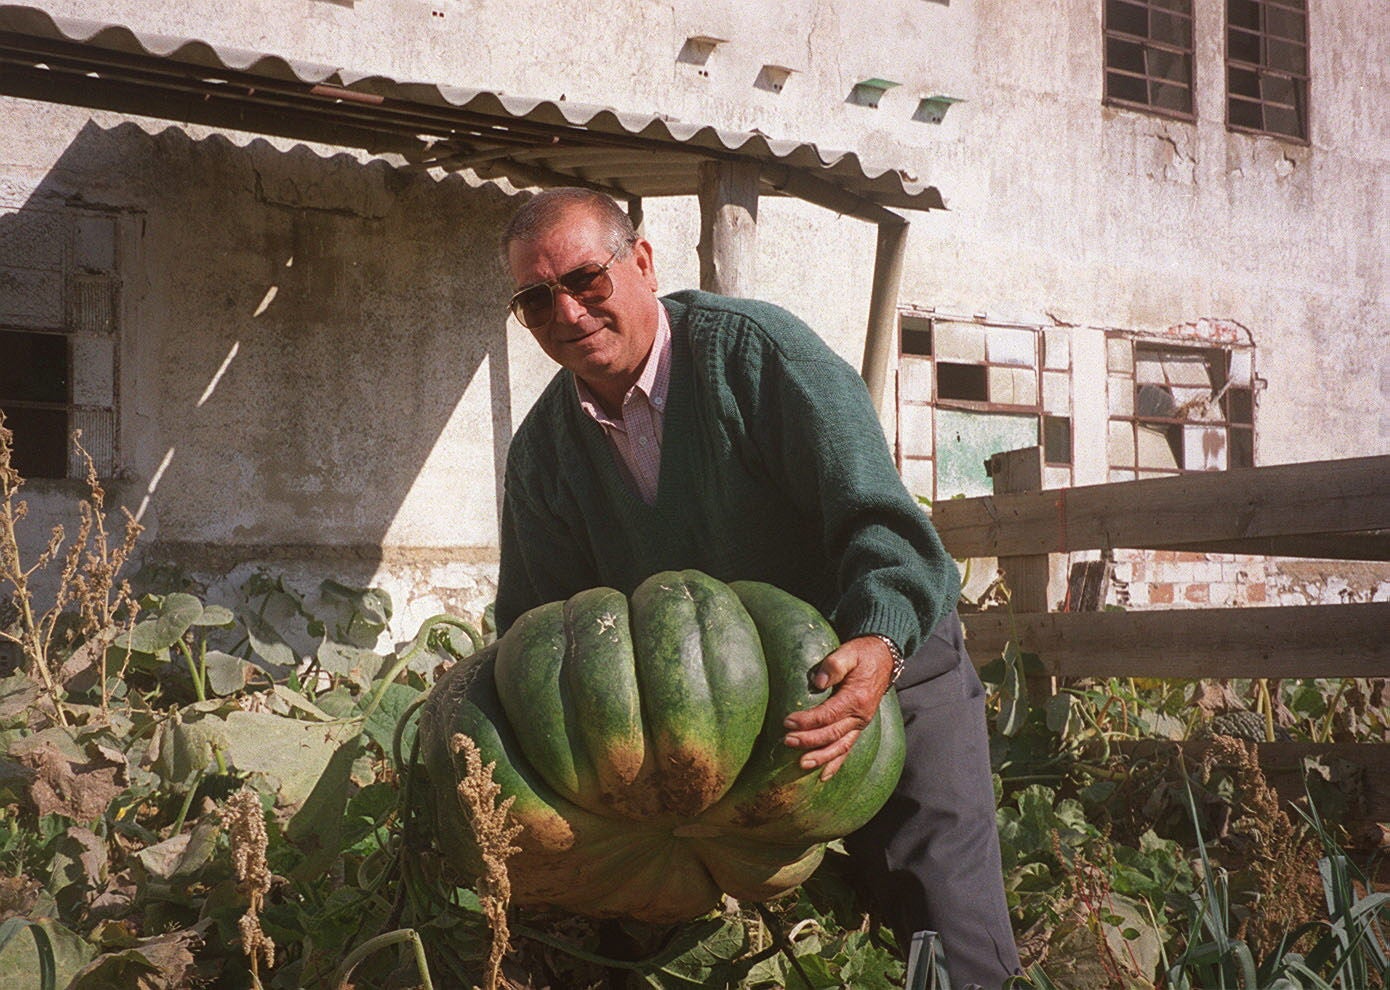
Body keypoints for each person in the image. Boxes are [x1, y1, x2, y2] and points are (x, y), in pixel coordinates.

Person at [493, 187, 1022, 990]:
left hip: (876, 668)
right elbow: (540, 637)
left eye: (587, 281)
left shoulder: (758, 356)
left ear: (641, 262)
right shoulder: (542, 457)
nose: (566, 312)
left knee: (942, 928)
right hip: (709, 738)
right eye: (536, 300)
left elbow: (884, 525)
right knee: (670, 946)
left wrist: (880, 642)